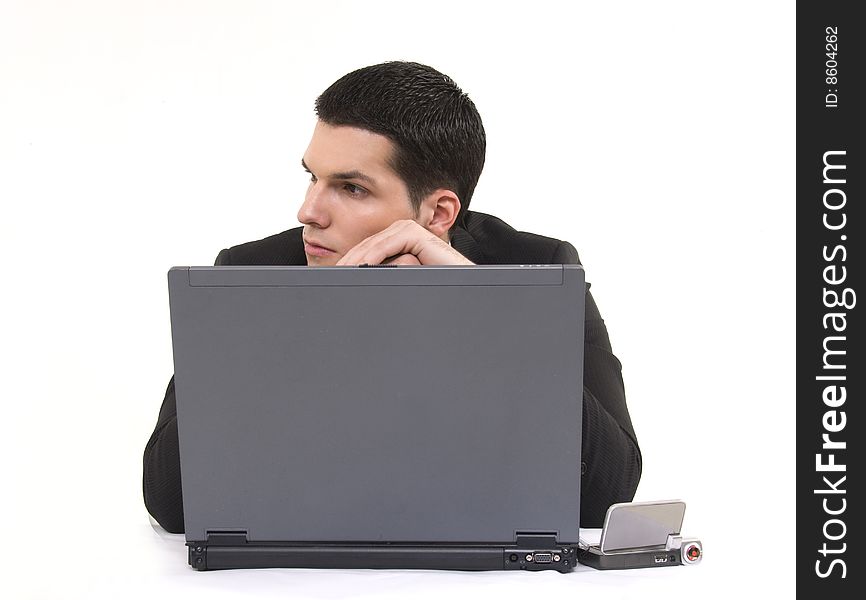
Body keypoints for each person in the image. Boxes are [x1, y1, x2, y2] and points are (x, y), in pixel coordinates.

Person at [143, 61, 641, 534]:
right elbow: (171, 502)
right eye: (312, 177)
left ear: (439, 213)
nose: (308, 211)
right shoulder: (251, 273)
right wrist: (297, 318)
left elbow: (606, 495)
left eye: (351, 188)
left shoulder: (541, 269)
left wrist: (486, 310)